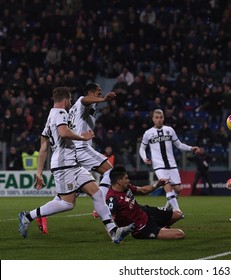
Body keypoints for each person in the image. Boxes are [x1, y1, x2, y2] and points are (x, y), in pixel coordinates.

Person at [18, 87, 133, 243]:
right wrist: (83, 137)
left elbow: (43, 146)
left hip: (71, 163)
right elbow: (64, 132)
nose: (70, 103)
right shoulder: (60, 114)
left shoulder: (50, 116)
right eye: (69, 100)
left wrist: (39, 172)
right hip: (64, 164)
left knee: (97, 193)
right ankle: (28, 216)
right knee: (67, 203)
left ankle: (113, 232)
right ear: (65, 99)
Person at [139, 109, 200, 212]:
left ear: (164, 118)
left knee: (178, 189)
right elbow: (142, 148)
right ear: (153, 119)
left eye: (161, 117)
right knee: (167, 186)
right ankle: (178, 211)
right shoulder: (148, 133)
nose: (159, 120)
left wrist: (190, 148)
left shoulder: (170, 130)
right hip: (159, 165)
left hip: (171, 164)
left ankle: (165, 209)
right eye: (156, 118)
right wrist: (144, 158)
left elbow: (179, 144)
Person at [106, 165, 184, 239]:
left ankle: (161, 228)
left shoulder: (126, 187)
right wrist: (114, 235)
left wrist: (157, 185)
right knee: (180, 234)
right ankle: (157, 231)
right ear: (119, 181)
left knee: (178, 214)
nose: (128, 180)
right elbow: (109, 220)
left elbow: (143, 190)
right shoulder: (112, 199)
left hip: (145, 212)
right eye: (126, 178)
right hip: (141, 228)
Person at [68, 83, 116, 197]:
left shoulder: (74, 109)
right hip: (81, 147)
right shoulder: (82, 101)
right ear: (90, 93)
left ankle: (32, 215)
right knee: (111, 172)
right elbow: (84, 100)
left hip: (72, 149)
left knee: (67, 200)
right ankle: (104, 202)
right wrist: (103, 99)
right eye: (98, 91)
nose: (100, 92)